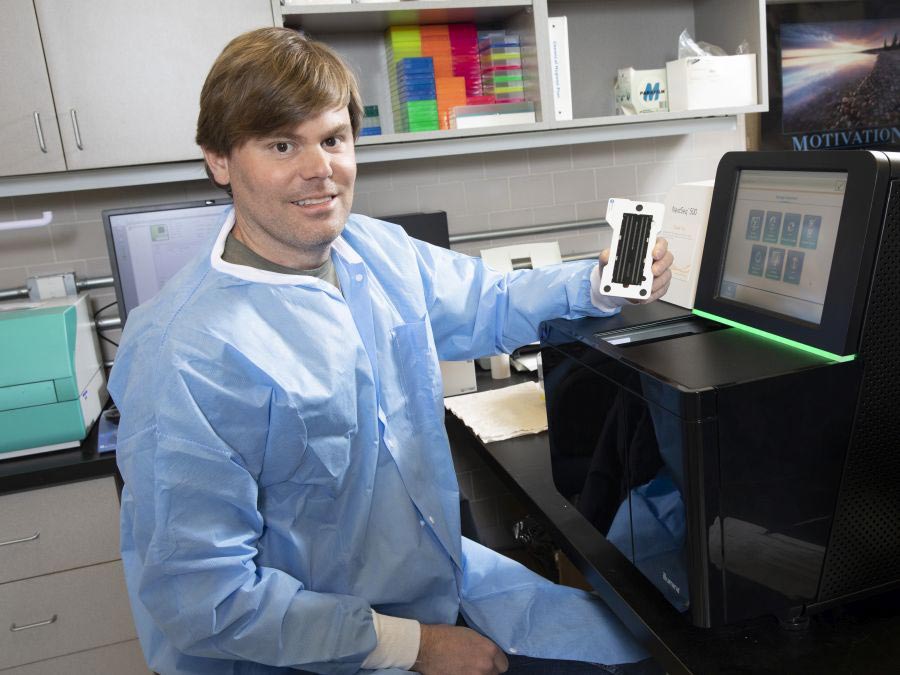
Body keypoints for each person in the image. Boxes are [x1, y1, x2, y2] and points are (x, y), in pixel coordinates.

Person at [110, 27, 674, 675]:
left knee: (648, 655)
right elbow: (205, 596)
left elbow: (488, 302)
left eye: (332, 139)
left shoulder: (373, 252)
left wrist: (599, 283)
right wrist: (417, 646)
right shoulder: (183, 351)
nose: (319, 168)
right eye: (281, 144)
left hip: (438, 583)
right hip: (308, 648)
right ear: (219, 160)